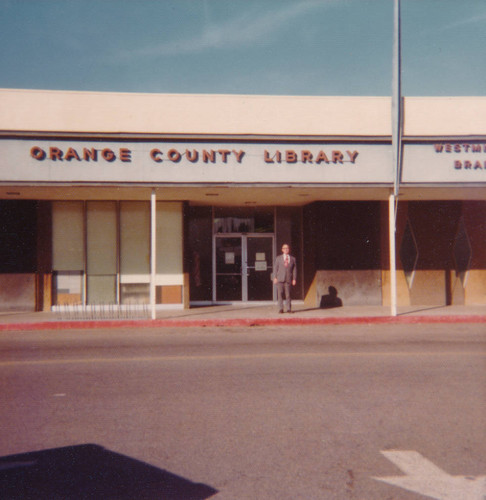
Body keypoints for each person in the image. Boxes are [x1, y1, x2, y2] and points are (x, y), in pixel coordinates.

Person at [273, 243, 297, 313]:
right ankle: (281, 309)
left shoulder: (293, 259)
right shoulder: (278, 258)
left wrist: (294, 279)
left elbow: (294, 270)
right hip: (280, 279)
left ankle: (288, 308)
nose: (286, 249)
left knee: (288, 295)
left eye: (287, 248)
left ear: (289, 250)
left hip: (288, 279)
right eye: (284, 248)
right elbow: (275, 268)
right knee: (280, 294)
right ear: (282, 250)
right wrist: (274, 277)